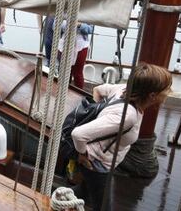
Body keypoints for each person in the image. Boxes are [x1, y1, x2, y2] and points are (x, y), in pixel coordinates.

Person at [71, 63, 172, 211]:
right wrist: (82, 155)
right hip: (97, 164)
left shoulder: (123, 89)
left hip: (101, 162)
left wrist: (100, 117)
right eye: (166, 90)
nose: (169, 93)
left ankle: (54, 199)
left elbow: (98, 90)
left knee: (83, 193)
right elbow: (78, 134)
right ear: (152, 95)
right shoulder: (127, 116)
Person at [58, 21, 93, 88]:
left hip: (81, 46)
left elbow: (90, 29)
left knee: (78, 73)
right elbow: (55, 26)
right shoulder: (63, 11)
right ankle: (62, 93)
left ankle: (79, 95)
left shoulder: (88, 13)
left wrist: (80, 25)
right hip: (65, 44)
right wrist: (68, 24)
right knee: (64, 72)